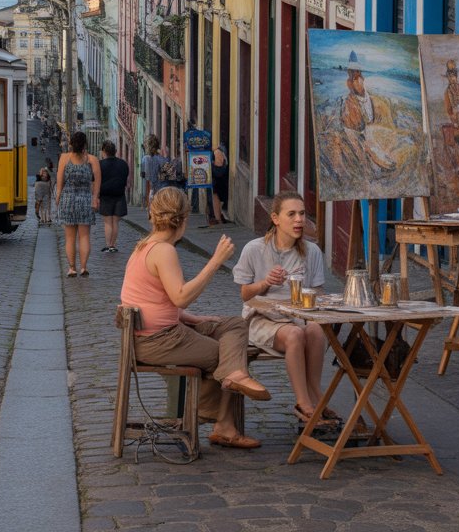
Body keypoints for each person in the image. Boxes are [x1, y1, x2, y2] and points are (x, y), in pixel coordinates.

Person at [121, 186, 268, 450]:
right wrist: (215, 261)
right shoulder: (163, 251)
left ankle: (229, 390)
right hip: (160, 340)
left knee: (234, 325)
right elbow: (179, 296)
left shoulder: (143, 247)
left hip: (163, 332)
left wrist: (192, 318)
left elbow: (156, 300)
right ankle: (223, 420)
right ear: (184, 219)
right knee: (228, 354)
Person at [233, 192, 334, 427]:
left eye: (302, 214)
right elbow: (245, 295)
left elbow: (318, 292)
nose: (299, 220)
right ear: (276, 218)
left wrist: (309, 296)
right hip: (262, 318)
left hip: (298, 317)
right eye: (292, 214)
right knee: (295, 334)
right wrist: (265, 282)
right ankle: (303, 403)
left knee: (316, 330)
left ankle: (315, 394)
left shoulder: (312, 252)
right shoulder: (255, 249)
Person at [54, 131, 101, 276]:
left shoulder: (64, 158)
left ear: (71, 144)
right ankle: (84, 267)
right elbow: (98, 181)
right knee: (84, 236)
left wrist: (58, 198)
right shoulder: (92, 159)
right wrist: (95, 198)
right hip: (85, 198)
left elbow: (60, 181)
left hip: (68, 199)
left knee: (69, 237)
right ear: (85, 144)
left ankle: (72, 268)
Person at [98, 140, 129, 253]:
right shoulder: (123, 164)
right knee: (115, 222)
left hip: (105, 195)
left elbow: (96, 180)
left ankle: (108, 245)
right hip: (119, 194)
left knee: (107, 222)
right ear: (115, 151)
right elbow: (125, 179)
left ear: (104, 152)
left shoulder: (100, 164)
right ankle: (113, 245)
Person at [143, 135, 170, 213]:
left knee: (156, 220)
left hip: (156, 192)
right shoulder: (164, 159)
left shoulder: (147, 159)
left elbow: (149, 179)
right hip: (167, 192)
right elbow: (171, 177)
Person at [210, 144, 229, 225]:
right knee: (217, 196)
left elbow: (218, 166)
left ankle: (218, 219)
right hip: (220, 179)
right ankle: (219, 218)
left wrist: (213, 164)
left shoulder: (217, 152)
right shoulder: (219, 151)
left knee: (216, 196)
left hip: (218, 180)